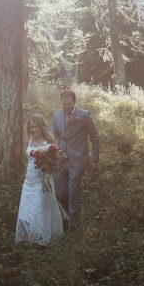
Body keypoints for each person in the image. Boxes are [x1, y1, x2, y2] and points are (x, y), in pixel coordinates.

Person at [51, 89, 99, 234]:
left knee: (73, 194)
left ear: (74, 101)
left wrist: (94, 159)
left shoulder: (84, 115)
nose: (67, 107)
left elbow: (95, 137)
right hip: (60, 160)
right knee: (60, 193)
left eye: (69, 104)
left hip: (77, 161)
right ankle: (67, 217)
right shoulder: (56, 116)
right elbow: (51, 135)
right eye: (64, 104)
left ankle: (74, 227)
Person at [15, 113, 64, 246]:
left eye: (36, 127)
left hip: (42, 182)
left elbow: (54, 158)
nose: (33, 130)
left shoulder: (48, 143)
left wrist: (50, 153)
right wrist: (35, 153)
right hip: (29, 181)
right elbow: (29, 153)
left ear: (41, 127)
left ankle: (40, 238)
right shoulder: (30, 141)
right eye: (31, 127)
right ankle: (27, 235)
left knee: (39, 210)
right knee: (27, 210)